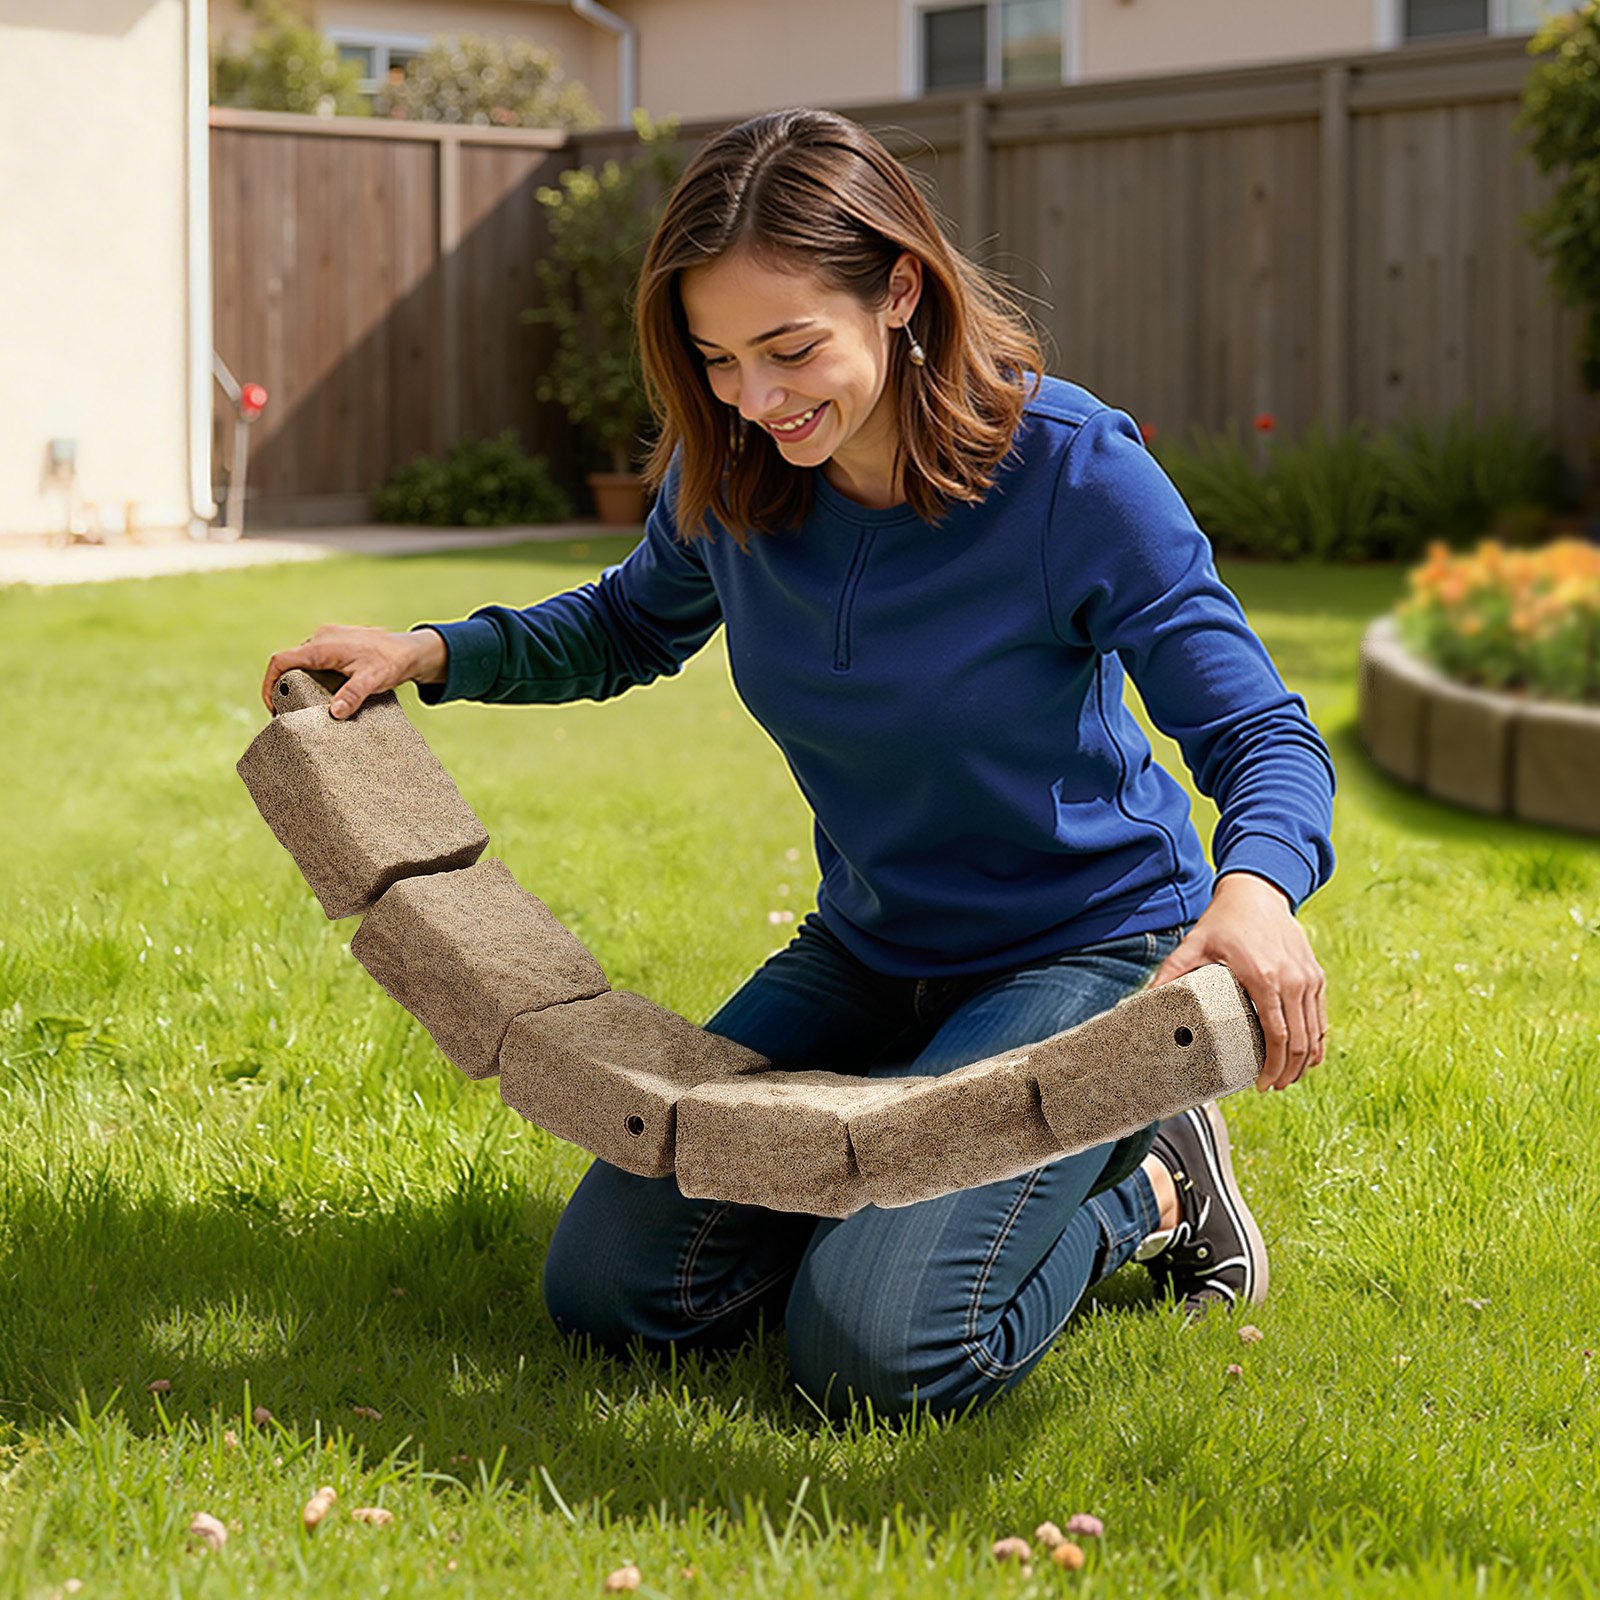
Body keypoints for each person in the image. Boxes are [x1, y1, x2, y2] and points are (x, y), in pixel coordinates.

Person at [262, 107, 1334, 1423]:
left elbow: (1260, 732)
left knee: (876, 1356)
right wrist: (433, 649)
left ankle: (1155, 1183)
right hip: (870, 954)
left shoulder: (1071, 472)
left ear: (897, 290)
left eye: (789, 350)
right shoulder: (735, 469)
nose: (757, 400)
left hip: (1085, 954)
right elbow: (626, 623)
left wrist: (1260, 891)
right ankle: (912, 1167)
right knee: (616, 1293)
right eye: (717, 360)